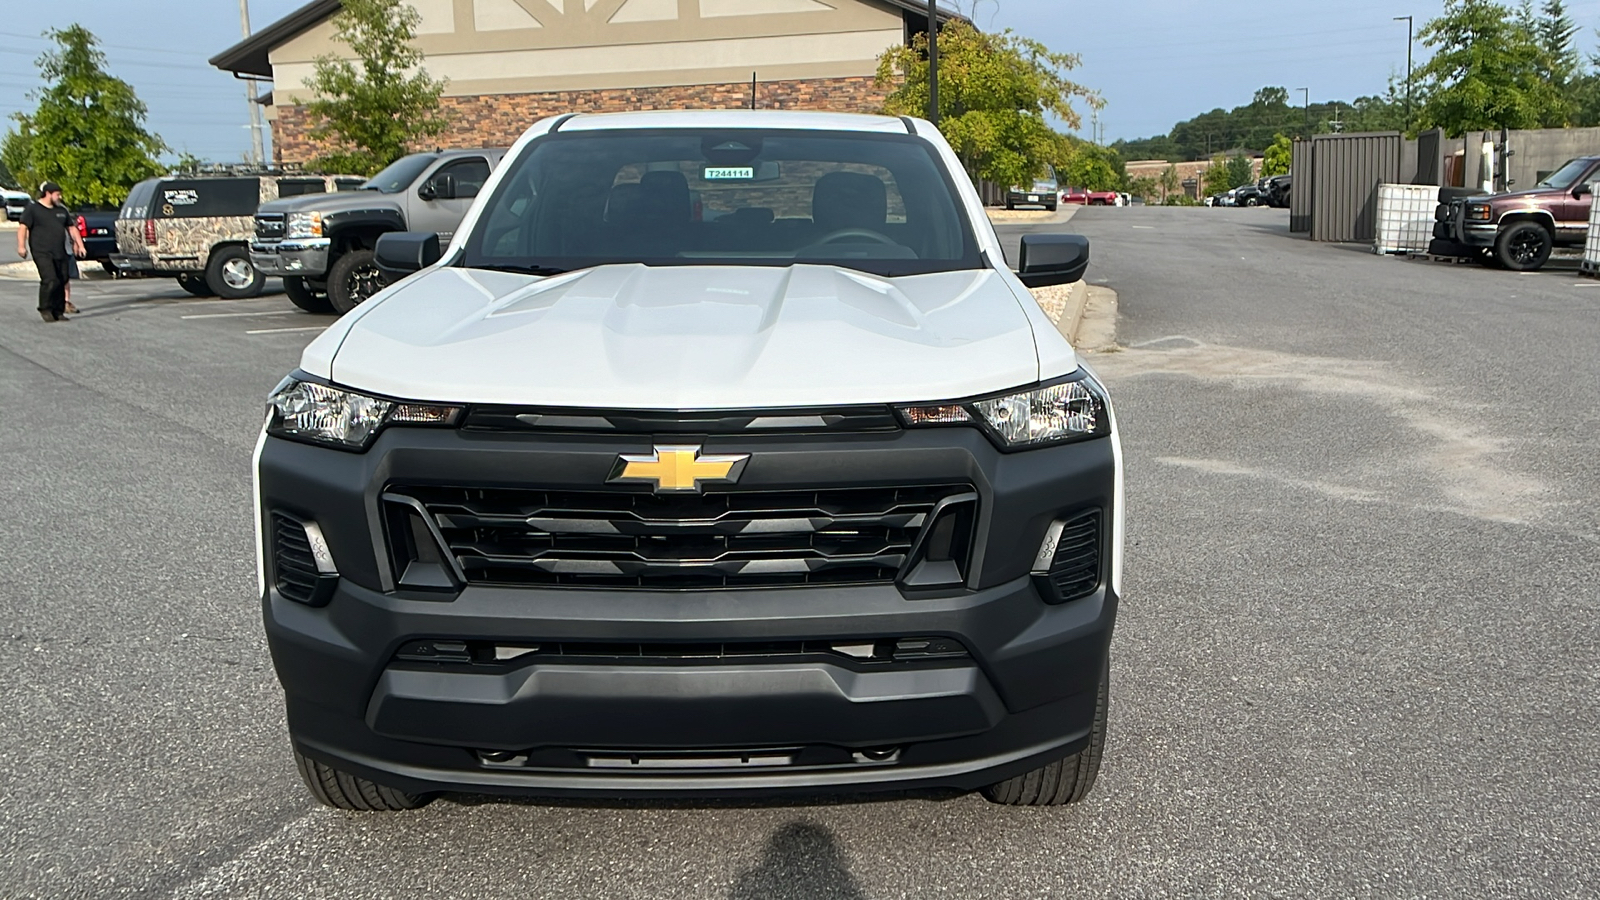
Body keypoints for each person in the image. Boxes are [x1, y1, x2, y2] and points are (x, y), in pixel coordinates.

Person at [17, 181, 85, 322]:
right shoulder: (33, 209)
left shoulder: (61, 210)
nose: (59, 197)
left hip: (59, 251)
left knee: (62, 279)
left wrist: (80, 244)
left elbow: (71, 228)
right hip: (41, 251)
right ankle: (45, 309)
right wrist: (21, 246)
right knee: (50, 279)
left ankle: (58, 310)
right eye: (57, 194)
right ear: (48, 193)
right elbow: (23, 227)